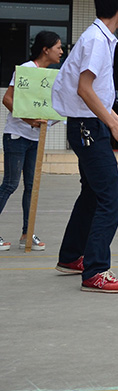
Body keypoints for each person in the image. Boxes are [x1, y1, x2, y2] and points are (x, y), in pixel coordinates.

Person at [52, 0, 118, 293]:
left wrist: (115, 118)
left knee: (92, 193)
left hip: (87, 125)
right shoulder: (97, 41)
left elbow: (94, 94)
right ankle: (96, 270)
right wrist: (112, 124)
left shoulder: (97, 38)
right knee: (111, 199)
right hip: (88, 128)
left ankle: (71, 256)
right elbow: (84, 89)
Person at [0, 31, 63, 251]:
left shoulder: (52, 76)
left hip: (35, 139)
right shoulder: (26, 70)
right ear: (45, 49)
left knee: (32, 187)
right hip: (17, 136)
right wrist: (30, 121)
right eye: (58, 47)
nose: (61, 51)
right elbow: (7, 99)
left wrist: (53, 118)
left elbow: (53, 108)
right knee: (10, 184)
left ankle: (27, 234)